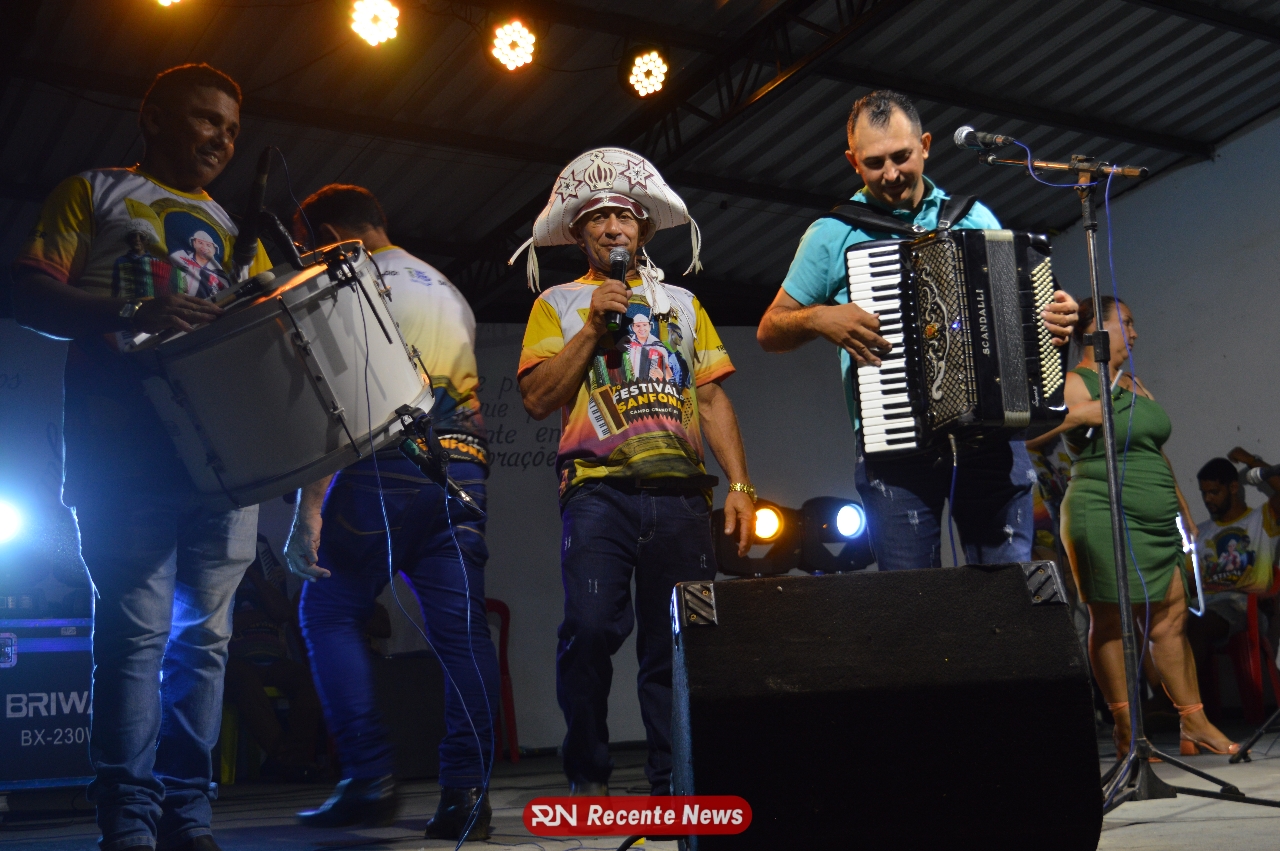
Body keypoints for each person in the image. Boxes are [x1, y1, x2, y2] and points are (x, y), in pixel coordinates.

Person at [11, 64, 270, 851]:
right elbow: (24, 291)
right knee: (136, 636)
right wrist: (133, 307)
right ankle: (128, 820)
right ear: (153, 117)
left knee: (206, 642)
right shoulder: (93, 192)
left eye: (231, 129)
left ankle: (189, 815)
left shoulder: (237, 230)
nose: (221, 139)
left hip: (222, 465)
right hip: (123, 452)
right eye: (205, 119)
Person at [513, 147, 755, 796]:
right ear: (579, 234)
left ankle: (674, 784)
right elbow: (536, 398)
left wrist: (739, 484)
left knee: (678, 646)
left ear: (643, 229)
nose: (613, 227)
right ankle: (587, 776)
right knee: (589, 630)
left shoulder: (683, 303)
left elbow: (711, 397)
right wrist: (594, 327)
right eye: (597, 218)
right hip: (599, 494)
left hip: (682, 497)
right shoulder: (559, 304)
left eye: (624, 216)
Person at [756, 90, 1079, 570]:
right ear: (853, 162)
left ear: (925, 146)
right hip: (896, 443)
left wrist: (1052, 318)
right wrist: (818, 317)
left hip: (990, 439)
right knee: (915, 602)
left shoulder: (972, 217)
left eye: (901, 156)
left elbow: (1017, 318)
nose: (890, 174)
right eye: (874, 163)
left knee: (1009, 592)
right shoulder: (833, 233)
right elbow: (770, 329)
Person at [282, 185, 500, 841]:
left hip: (386, 464)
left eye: (307, 247)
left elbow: (338, 402)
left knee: (327, 610)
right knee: (463, 633)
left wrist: (308, 509)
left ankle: (369, 779)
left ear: (332, 237)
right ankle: (467, 795)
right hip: (462, 466)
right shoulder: (446, 289)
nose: (306, 260)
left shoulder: (348, 284)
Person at [1032, 296, 1238, 758]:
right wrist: (1079, 415)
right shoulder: (1074, 382)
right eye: (1125, 323)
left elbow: (1154, 451)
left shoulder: (1134, 384)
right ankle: (1126, 729)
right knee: (1110, 620)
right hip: (1101, 509)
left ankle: (1193, 723)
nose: (1135, 333)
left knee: (1171, 617)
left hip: (1157, 516)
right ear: (1096, 331)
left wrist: (1183, 508)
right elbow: (1028, 434)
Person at [223, 536, 322, 782]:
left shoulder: (266, 575)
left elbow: (283, 612)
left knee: (310, 681)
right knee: (243, 680)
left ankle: (287, 758)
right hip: (235, 660)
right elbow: (219, 623)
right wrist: (257, 616)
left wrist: (254, 575)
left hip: (274, 660)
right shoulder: (220, 577)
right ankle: (287, 758)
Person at [1187, 455, 1280, 700]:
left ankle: (1174, 705)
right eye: (1204, 493)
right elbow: (1188, 581)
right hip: (1204, 605)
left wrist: (1251, 460)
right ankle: (1170, 703)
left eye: (1214, 492)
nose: (1208, 499)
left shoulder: (1260, 520)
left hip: (1244, 607)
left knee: (1199, 624)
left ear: (1233, 487)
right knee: (1160, 626)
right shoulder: (1200, 532)